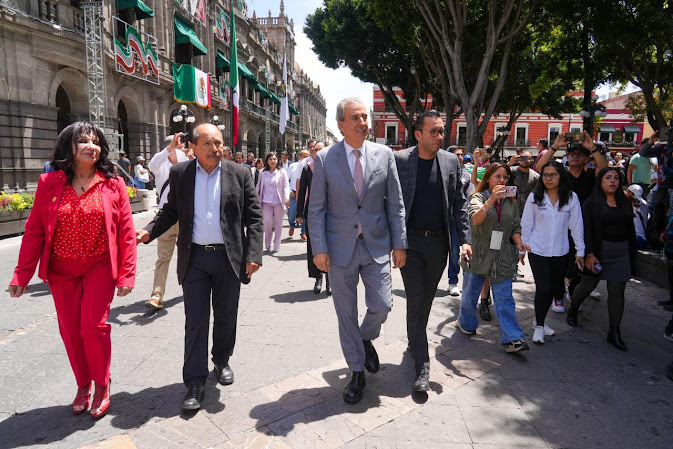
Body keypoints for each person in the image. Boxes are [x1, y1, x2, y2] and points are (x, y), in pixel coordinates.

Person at [8, 121, 136, 418]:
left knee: (92, 326)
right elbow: (34, 231)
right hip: (61, 269)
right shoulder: (50, 182)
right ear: (69, 146)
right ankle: (83, 384)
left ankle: (102, 383)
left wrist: (127, 274)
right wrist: (21, 275)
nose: (92, 147)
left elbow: (126, 233)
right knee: (70, 331)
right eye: (84, 141)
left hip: (99, 266)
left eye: (96, 142)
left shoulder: (113, 182)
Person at [136, 123, 263, 410]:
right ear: (193, 147)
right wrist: (149, 231)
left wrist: (254, 254)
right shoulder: (181, 173)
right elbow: (170, 210)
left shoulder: (239, 173)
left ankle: (221, 360)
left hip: (229, 258)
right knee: (196, 320)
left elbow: (254, 216)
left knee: (226, 314)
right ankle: (194, 381)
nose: (215, 148)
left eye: (218, 143)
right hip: (194, 259)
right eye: (207, 143)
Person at [309, 97, 407, 404]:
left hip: (376, 244)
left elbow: (396, 203)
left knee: (383, 304)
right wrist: (319, 248)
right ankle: (356, 371)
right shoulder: (325, 158)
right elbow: (316, 208)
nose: (363, 123)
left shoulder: (384, 155)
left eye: (365, 117)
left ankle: (365, 338)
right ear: (341, 124)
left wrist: (400, 243)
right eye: (355, 118)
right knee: (345, 313)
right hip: (340, 248)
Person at [395, 111, 471, 391]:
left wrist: (465, 240)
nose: (440, 136)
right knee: (416, 299)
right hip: (410, 245)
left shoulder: (451, 161)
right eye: (434, 131)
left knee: (424, 301)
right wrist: (395, 243)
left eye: (441, 131)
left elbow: (460, 204)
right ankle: (422, 368)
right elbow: (391, 203)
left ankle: (413, 340)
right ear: (418, 134)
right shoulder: (401, 160)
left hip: (439, 245)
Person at [455, 162, 529, 353]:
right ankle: (466, 323)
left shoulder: (511, 201)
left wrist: (519, 243)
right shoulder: (477, 197)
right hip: (479, 252)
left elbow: (515, 226)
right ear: (488, 178)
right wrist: (492, 200)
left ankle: (513, 338)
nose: (502, 180)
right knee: (470, 293)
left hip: (503, 254)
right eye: (498, 176)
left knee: (505, 297)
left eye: (505, 177)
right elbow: (475, 220)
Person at [566, 167, 637, 351]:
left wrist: (632, 254)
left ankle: (614, 332)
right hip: (598, 252)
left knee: (617, 290)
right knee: (587, 286)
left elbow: (630, 229)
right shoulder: (592, 202)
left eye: (616, 178)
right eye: (608, 178)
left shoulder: (624, 201)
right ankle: (573, 309)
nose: (612, 181)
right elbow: (586, 230)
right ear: (601, 181)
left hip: (621, 252)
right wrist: (589, 253)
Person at [536, 132, 608, 311]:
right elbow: (540, 167)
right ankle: (558, 296)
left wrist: (593, 148)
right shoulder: (561, 175)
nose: (575, 156)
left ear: (586, 158)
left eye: (580, 154)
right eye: (572, 154)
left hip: (585, 225)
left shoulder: (591, 176)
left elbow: (605, 170)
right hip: (561, 224)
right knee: (559, 261)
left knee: (580, 261)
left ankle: (573, 289)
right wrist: (555, 146)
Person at [520, 161, 584, 344]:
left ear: (561, 176)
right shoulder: (535, 197)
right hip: (537, 249)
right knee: (543, 288)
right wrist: (522, 248)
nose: (548, 179)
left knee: (553, 288)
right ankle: (539, 327)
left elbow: (576, 226)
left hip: (560, 251)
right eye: (545, 175)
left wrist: (580, 250)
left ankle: (538, 319)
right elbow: (526, 223)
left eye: (552, 175)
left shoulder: (571, 198)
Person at [144, 133, 192, 310]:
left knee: (190, 255)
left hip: (186, 216)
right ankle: (157, 295)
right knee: (163, 258)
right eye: (178, 146)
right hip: (166, 218)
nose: (182, 148)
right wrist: (170, 148)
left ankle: (192, 289)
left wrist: (192, 158)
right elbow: (153, 164)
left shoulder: (188, 163)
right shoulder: (161, 165)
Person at [296, 142, 330, 294]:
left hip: (332, 211)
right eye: (315, 150)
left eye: (321, 149)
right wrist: (299, 214)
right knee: (313, 245)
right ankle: (318, 277)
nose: (317, 152)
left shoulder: (333, 166)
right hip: (313, 211)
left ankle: (330, 278)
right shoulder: (307, 168)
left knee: (331, 244)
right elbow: (302, 191)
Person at [447, 146, 471, 296]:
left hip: (461, 218)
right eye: (457, 155)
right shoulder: (444, 172)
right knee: (450, 252)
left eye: (462, 155)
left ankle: (459, 282)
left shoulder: (466, 174)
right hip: (445, 218)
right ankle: (450, 281)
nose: (460, 157)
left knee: (461, 251)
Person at [256, 152, 291, 253]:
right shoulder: (262, 172)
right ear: (267, 161)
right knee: (267, 222)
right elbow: (258, 186)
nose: (273, 161)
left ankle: (277, 245)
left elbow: (286, 185)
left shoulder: (282, 172)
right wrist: (255, 198)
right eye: (270, 159)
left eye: (275, 159)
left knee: (278, 224)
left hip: (279, 202)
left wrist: (286, 197)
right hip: (266, 201)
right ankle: (268, 242)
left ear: (277, 160)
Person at [287, 149, 311, 238]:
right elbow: (286, 179)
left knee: (305, 213)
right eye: (304, 156)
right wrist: (289, 191)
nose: (306, 158)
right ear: (299, 157)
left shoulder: (310, 166)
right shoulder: (293, 166)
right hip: (293, 193)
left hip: (304, 193)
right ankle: (292, 224)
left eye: (308, 156)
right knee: (292, 213)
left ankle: (303, 232)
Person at [625, 184, 649, 250]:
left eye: (627, 192)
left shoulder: (642, 204)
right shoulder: (628, 205)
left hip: (640, 238)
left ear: (632, 193)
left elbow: (635, 201)